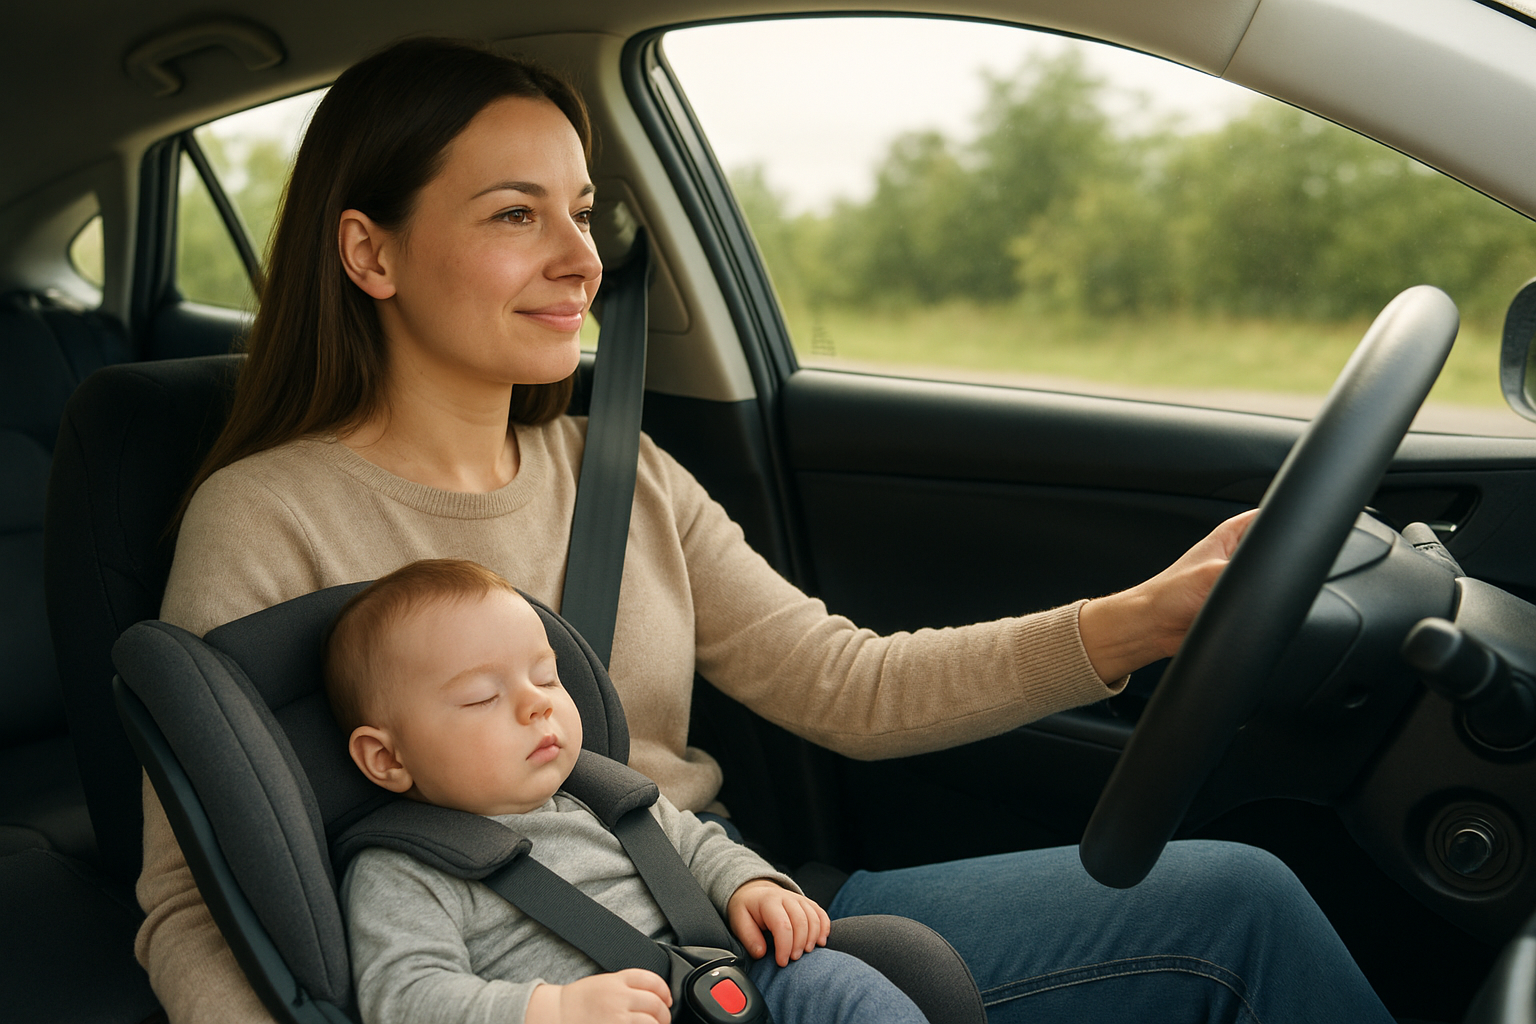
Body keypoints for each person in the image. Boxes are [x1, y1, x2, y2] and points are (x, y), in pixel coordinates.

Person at [140, 36, 1396, 1024]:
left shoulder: (617, 468)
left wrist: (1139, 621)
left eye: (584, 212)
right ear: (371, 251)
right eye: (517, 214)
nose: (582, 258)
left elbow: (845, 681)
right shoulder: (268, 514)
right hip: (512, 979)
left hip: (743, 913)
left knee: (1241, 896)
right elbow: (193, 899)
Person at [326, 558, 928, 1024]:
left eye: (545, 676)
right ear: (387, 758)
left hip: (727, 983)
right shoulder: (403, 871)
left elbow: (697, 846)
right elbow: (402, 997)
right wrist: (551, 1011)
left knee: (842, 987)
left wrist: (749, 885)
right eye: (484, 697)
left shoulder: (603, 796)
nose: (539, 703)